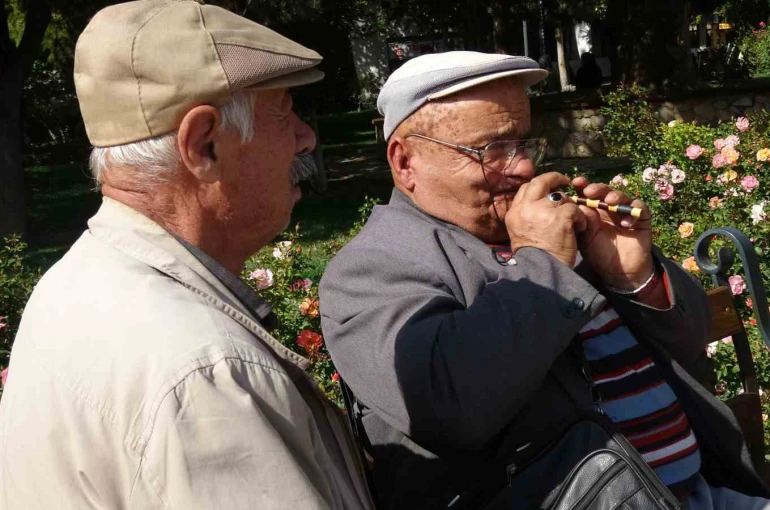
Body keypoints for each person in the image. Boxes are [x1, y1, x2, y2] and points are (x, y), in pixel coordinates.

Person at [319, 51, 770, 509]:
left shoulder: (553, 230)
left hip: (703, 495)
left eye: (524, 144)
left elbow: (691, 340)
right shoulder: (373, 268)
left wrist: (635, 277)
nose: (523, 168)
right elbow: (451, 404)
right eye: (492, 150)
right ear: (405, 162)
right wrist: (545, 264)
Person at [0, 1, 373, 508]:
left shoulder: (76, 282)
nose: (306, 138)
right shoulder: (205, 374)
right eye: (284, 113)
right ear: (204, 146)